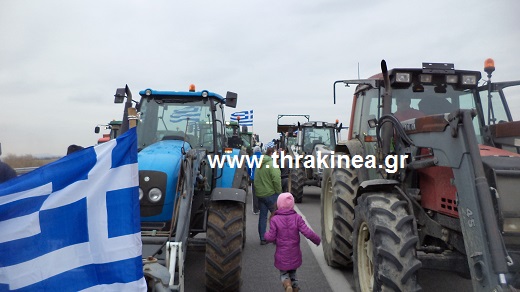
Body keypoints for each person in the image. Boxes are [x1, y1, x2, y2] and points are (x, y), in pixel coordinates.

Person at [264, 192, 321, 292]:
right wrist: (317, 240)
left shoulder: (275, 219)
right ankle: (294, 287)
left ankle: (287, 284)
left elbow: (271, 237)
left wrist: (265, 236)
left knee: (284, 274)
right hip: (294, 253)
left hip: (281, 254)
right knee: (293, 273)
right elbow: (307, 232)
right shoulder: (297, 218)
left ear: (278, 204)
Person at [254, 146, 282, 245]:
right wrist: (279, 192)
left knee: (263, 217)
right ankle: (275, 237)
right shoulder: (272, 165)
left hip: (261, 194)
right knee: (276, 216)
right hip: (271, 194)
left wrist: (259, 192)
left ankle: (263, 238)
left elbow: (255, 179)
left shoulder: (260, 164)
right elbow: (276, 180)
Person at [250, 145, 262, 214]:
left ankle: (256, 209)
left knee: (255, 194)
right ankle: (261, 208)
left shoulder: (251, 158)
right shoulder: (263, 158)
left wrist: (250, 174)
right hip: (262, 178)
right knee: (262, 193)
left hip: (254, 178)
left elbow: (249, 168)